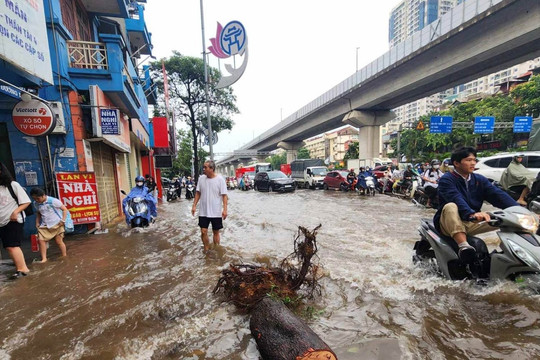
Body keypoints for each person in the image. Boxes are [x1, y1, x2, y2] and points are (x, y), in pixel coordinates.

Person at [434, 147, 518, 263]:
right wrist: (471, 214)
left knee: (508, 219)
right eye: (468, 160)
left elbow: (498, 195)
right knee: (451, 206)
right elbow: (456, 198)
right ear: (456, 163)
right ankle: (463, 246)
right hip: (449, 223)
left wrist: (519, 210)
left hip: (472, 220)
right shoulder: (447, 180)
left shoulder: (479, 180)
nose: (473, 163)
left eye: (474, 160)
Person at [0, 162, 31, 278]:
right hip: (1, 221)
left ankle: (23, 269)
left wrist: (15, 212)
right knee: (8, 246)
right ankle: (19, 267)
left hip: (13, 220)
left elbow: (26, 202)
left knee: (13, 245)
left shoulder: (12, 185)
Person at [191, 160, 228, 252]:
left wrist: (225, 210)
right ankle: (206, 249)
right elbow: (198, 193)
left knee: (216, 232)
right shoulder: (201, 179)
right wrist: (194, 205)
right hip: (203, 211)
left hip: (215, 211)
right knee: (203, 231)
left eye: (206, 167)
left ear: (212, 169)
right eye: (203, 167)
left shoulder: (220, 180)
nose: (204, 169)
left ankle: (216, 249)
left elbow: (224, 196)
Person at [30, 187, 68, 263]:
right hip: (45, 225)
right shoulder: (36, 204)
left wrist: (63, 220)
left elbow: (64, 209)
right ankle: (44, 258)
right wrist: (37, 222)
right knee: (41, 241)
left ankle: (64, 256)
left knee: (59, 241)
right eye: (34, 199)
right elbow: (38, 213)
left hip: (57, 224)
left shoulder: (53, 201)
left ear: (43, 195)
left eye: (38, 198)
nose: (37, 200)